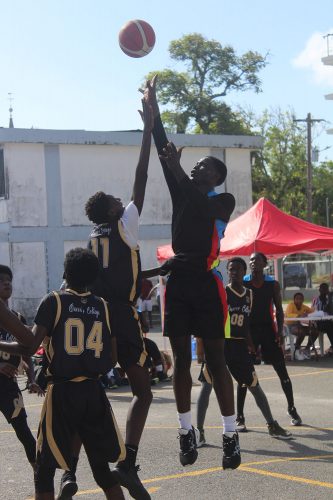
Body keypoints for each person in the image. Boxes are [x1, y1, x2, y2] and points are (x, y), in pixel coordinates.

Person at [143, 76, 240, 470]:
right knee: (181, 359)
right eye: (194, 165)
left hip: (206, 283)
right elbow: (162, 148)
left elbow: (200, 209)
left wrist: (176, 167)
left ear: (215, 177)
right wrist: (154, 111)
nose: (196, 166)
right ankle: (186, 431)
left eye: (204, 165)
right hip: (179, 283)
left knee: (216, 361)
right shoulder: (181, 188)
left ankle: (231, 434)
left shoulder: (223, 201)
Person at [0, 248, 126, 500]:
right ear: (92, 277)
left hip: (63, 393)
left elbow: (30, 344)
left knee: (44, 470)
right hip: (94, 392)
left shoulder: (55, 301)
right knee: (101, 469)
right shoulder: (103, 306)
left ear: (66, 272)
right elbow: (112, 358)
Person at [85, 97, 154, 499]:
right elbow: (141, 177)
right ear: (111, 210)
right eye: (116, 199)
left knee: (84, 389)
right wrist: (146, 130)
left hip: (95, 316)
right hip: (121, 317)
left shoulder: (93, 238)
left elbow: (114, 277)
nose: (121, 199)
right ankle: (127, 461)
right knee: (142, 391)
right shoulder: (124, 223)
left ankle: (70, 473)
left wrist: (153, 273)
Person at [196, 258, 292, 444]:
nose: (234, 272)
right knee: (207, 386)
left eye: (238, 269)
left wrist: (251, 344)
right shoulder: (223, 292)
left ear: (243, 271)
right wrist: (202, 346)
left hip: (239, 347)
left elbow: (246, 323)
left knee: (254, 385)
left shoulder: (249, 294)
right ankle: (199, 431)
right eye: (231, 269)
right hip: (220, 345)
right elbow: (209, 320)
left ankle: (272, 424)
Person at [239, 252, 302, 428]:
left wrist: (280, 331)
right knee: (244, 374)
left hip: (268, 330)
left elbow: (279, 311)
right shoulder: (243, 283)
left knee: (282, 372)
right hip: (249, 332)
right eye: (250, 260)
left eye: (256, 260)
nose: (252, 263)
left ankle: (292, 408)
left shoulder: (272, 284)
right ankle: (240, 416)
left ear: (264, 264)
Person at [0, 265, 44, 471]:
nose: (6, 283)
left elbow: (27, 352)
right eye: (1, 280)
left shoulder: (17, 318)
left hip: (8, 387)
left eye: (8, 279)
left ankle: (40, 474)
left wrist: (32, 379)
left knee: (24, 432)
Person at [285, 292, 316, 360]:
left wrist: (314, 310)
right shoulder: (291, 305)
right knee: (301, 332)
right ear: (294, 299)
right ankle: (297, 349)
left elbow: (312, 311)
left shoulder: (304, 306)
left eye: (301, 299)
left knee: (315, 331)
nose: (299, 300)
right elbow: (288, 314)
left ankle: (307, 349)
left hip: (300, 325)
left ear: (303, 300)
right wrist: (299, 315)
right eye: (297, 299)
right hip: (289, 326)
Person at [311, 282, 333, 356]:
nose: (324, 291)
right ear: (319, 290)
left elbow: (330, 311)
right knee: (329, 326)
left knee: (329, 325)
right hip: (318, 323)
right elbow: (313, 312)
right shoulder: (315, 300)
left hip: (328, 322)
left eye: (326, 289)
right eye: (322, 289)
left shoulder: (330, 299)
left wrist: (329, 299)